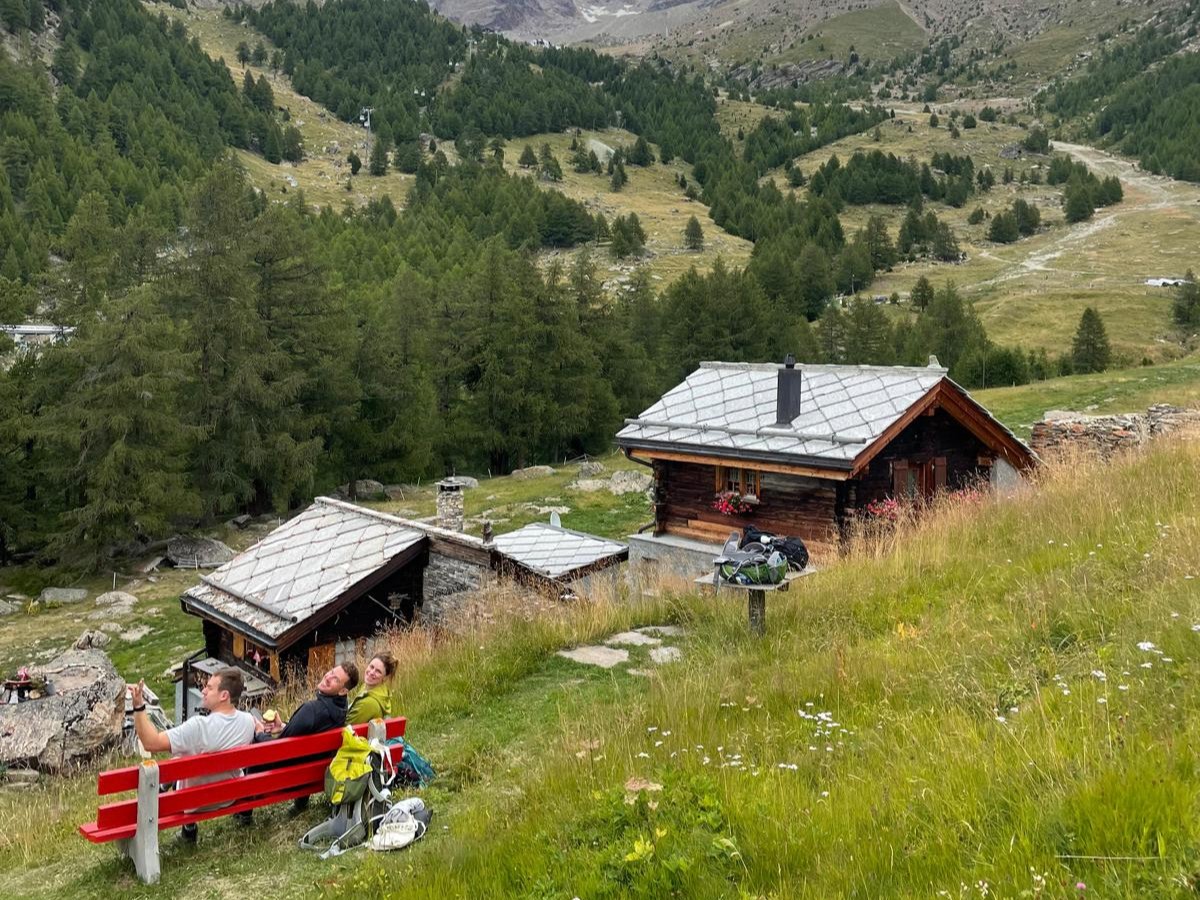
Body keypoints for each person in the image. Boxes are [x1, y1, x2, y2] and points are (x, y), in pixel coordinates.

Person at [128, 668, 255, 843]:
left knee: (183, 758)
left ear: (223, 695)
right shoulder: (249, 721)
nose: (203, 690)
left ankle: (188, 826)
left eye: (209, 688)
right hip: (228, 797)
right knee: (186, 756)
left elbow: (152, 742)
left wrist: (138, 705)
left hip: (194, 804)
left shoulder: (198, 727)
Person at [347, 653, 396, 725]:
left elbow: (346, 727)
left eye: (378, 671)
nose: (372, 672)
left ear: (385, 678)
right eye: (371, 667)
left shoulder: (369, 702)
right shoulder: (374, 688)